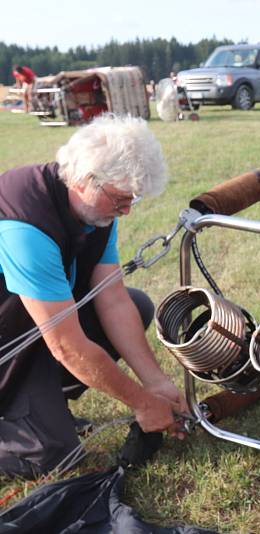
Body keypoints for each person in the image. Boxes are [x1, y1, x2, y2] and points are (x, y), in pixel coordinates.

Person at [0, 114, 188, 478]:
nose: (127, 211)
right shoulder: (25, 225)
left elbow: (113, 299)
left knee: (136, 304)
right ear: (86, 180)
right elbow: (66, 346)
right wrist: (142, 403)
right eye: (121, 199)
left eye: (131, 199)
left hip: (34, 328)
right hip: (8, 342)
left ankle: (46, 406)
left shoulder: (98, 211)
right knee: (53, 455)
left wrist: (155, 382)